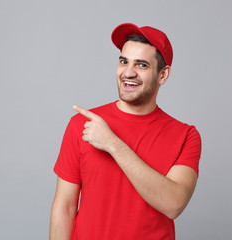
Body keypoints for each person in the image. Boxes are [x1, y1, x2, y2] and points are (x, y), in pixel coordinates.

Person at [49, 23, 202, 240]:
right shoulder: (82, 124)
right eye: (124, 61)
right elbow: (64, 207)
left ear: (163, 75)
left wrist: (112, 144)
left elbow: (173, 204)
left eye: (141, 65)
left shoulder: (186, 136)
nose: (128, 72)